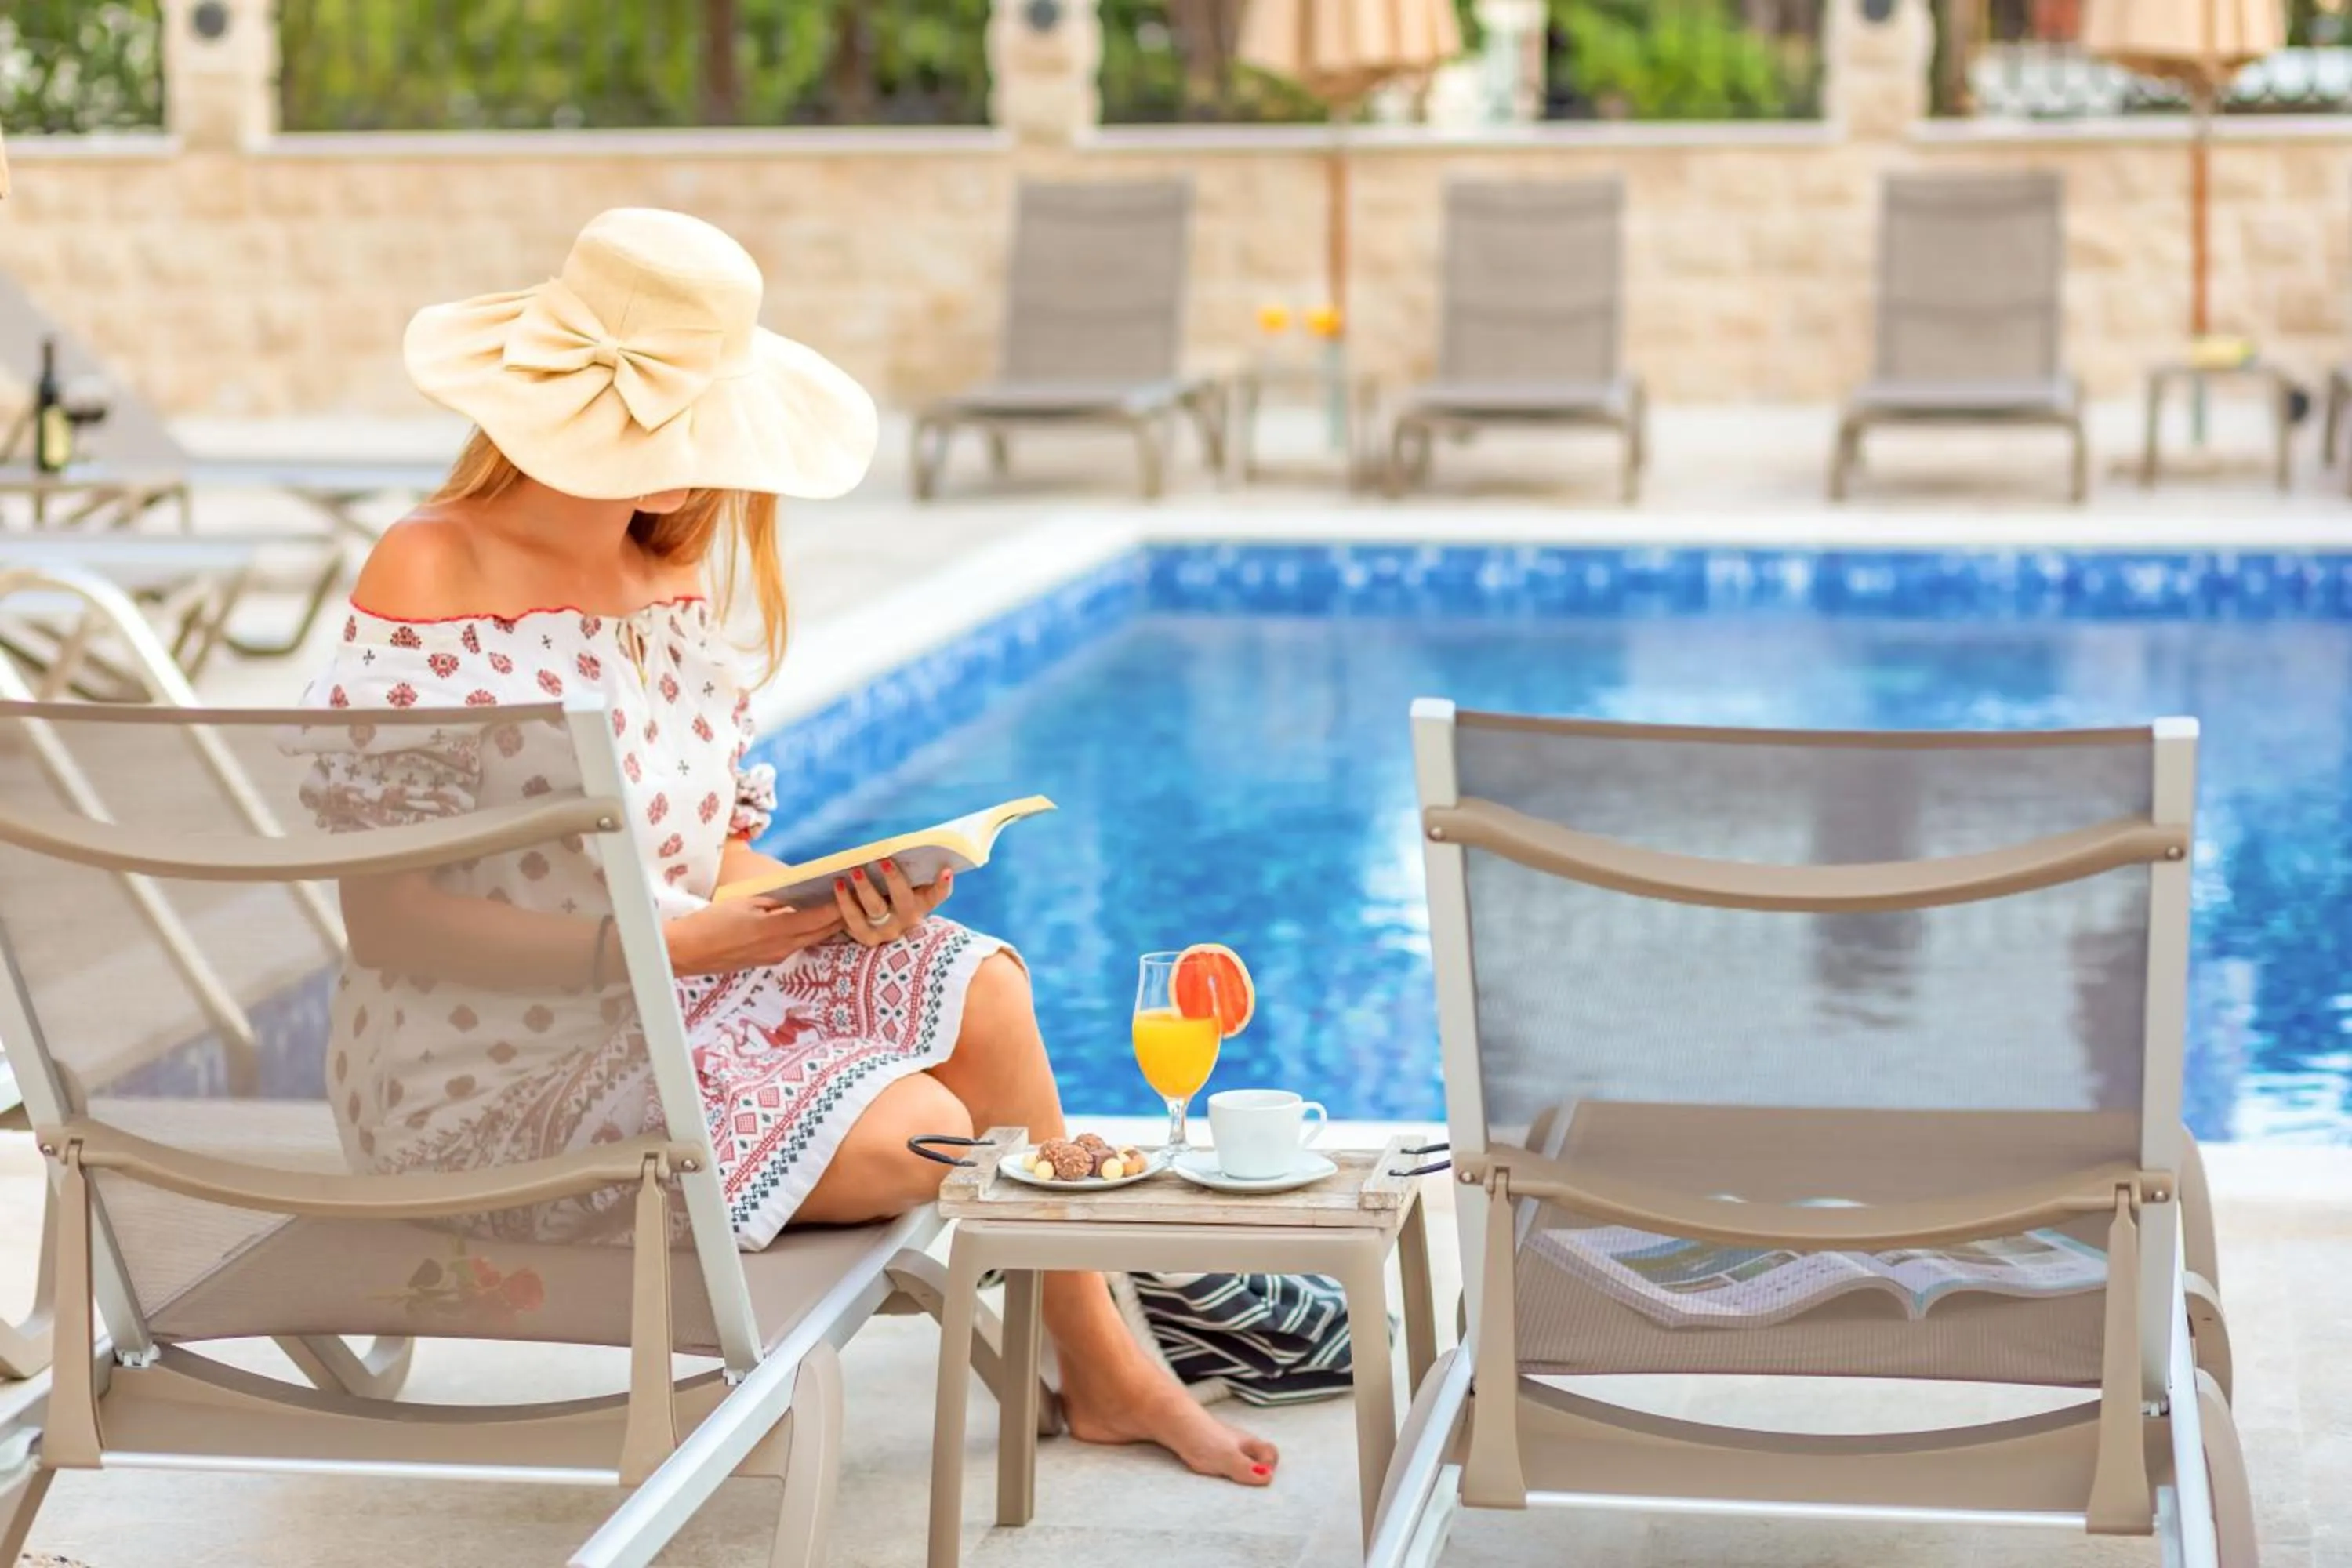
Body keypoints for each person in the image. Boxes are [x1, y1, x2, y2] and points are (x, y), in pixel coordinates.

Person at [295, 208, 1277, 1486]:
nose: (693, 463)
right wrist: (667, 940)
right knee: (919, 1127)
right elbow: (389, 923)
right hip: (487, 1074)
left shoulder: (672, 572)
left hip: (666, 997)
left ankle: (1104, 1362)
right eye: (671, 424)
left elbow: (707, 861)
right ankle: (1104, 1349)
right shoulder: (435, 568)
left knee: (977, 980)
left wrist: (834, 902)